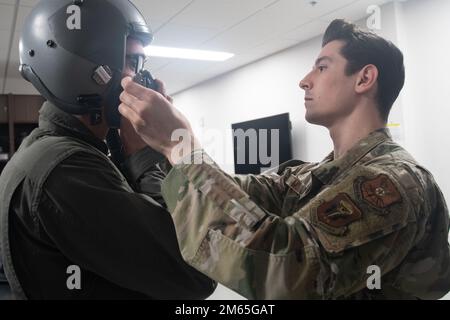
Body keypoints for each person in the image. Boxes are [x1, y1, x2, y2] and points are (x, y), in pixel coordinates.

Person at [118, 19, 450, 299]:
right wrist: (159, 146)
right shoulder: (312, 177)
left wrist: (181, 146)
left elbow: (285, 268)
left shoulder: (395, 182)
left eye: (321, 67)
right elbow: (232, 194)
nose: (304, 80)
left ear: (364, 79)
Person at [0, 0, 215, 299]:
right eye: (132, 62)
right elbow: (198, 272)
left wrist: (130, 147)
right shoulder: (67, 169)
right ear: (80, 71)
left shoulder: (53, 150)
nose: (141, 79)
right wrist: (151, 153)